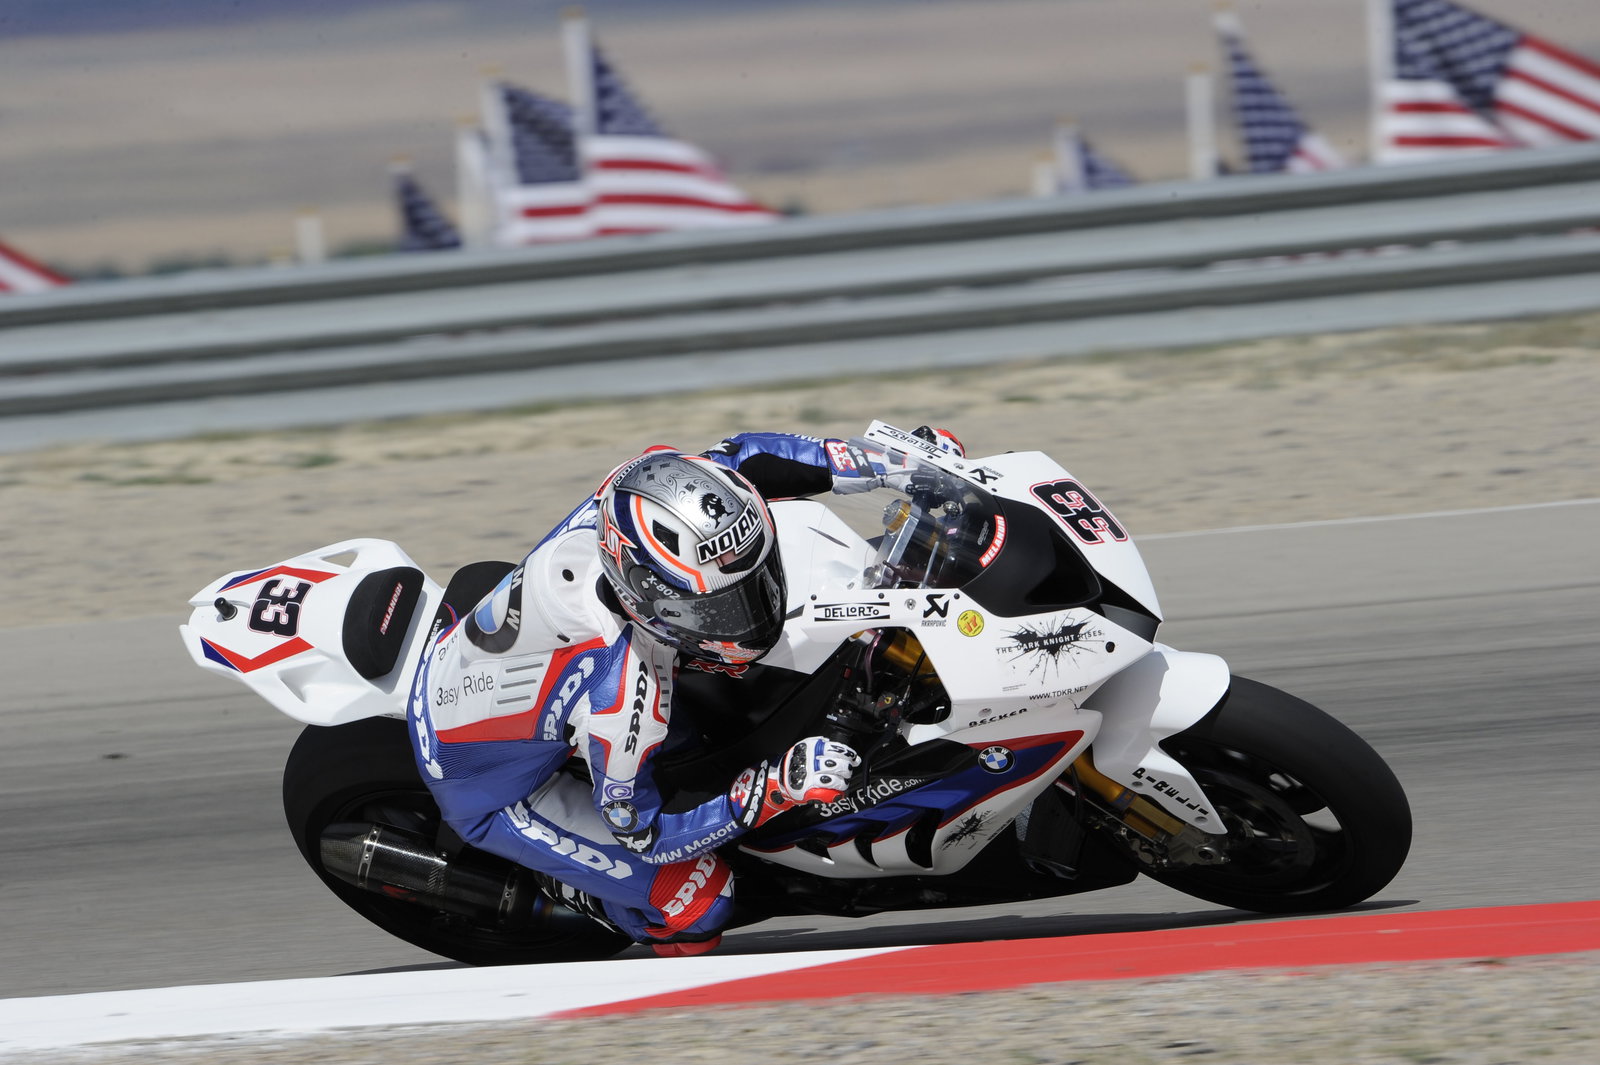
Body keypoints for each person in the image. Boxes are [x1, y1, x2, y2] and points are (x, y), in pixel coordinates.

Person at [407, 427, 964, 956]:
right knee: (701, 905)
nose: (750, 613)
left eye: (752, 587)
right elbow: (642, 835)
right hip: (487, 786)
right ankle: (578, 894)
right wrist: (772, 789)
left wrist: (891, 466)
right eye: (721, 608)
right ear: (648, 598)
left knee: (716, 721)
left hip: (499, 668)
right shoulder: (622, 699)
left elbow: (745, 458)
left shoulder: (644, 491)